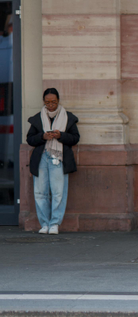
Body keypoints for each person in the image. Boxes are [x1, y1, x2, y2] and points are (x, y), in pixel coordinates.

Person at [26, 88, 80, 235]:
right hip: (42, 157)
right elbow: (30, 139)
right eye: (47, 102)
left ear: (58, 101)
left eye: (53, 102)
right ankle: (44, 224)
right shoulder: (37, 118)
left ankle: (54, 223)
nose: (50, 105)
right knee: (40, 192)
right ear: (44, 102)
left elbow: (75, 138)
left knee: (58, 192)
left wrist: (60, 135)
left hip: (59, 157)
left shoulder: (68, 118)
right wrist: (42, 137)